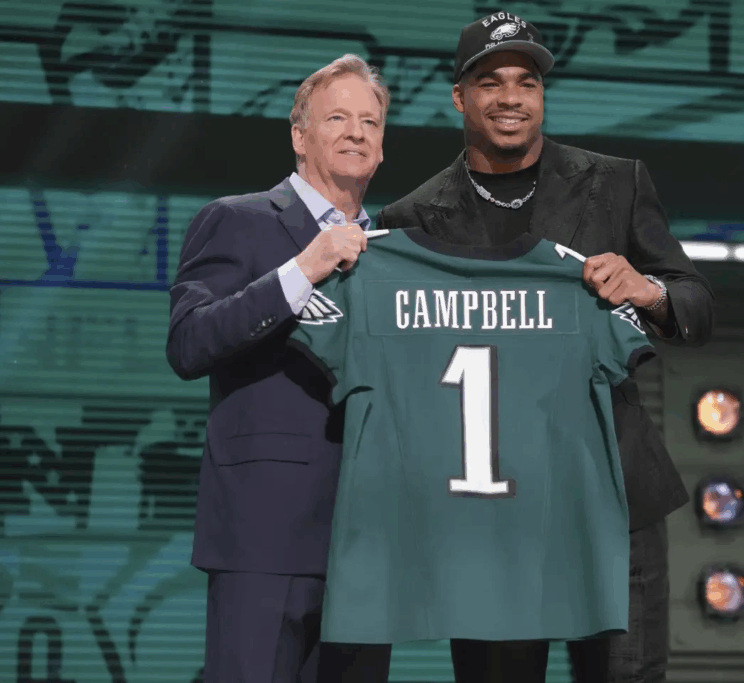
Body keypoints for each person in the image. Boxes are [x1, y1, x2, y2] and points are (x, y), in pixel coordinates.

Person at [376, 11, 715, 683]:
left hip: (611, 498)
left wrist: (647, 289)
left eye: (526, 82)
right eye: (491, 82)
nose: (511, 98)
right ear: (459, 97)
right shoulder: (410, 221)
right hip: (486, 515)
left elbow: (697, 305)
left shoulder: (617, 183)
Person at [165, 54, 391, 683]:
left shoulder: (397, 252)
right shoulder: (237, 220)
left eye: (370, 122)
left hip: (370, 540)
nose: (356, 132)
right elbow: (188, 343)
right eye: (337, 118)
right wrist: (304, 270)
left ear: (381, 148)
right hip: (263, 535)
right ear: (299, 136)